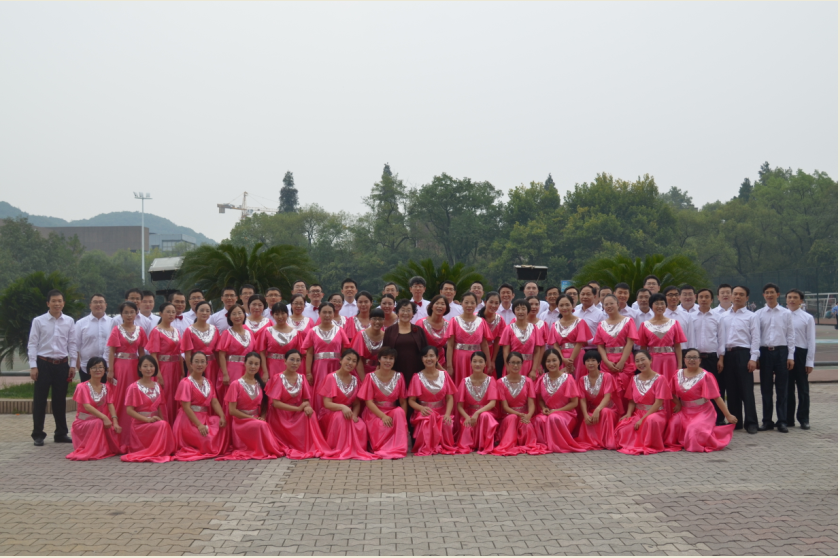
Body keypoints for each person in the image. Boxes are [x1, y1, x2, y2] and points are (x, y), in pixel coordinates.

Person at [28, 289, 78, 446]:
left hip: (62, 364)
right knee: (40, 400)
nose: (57, 304)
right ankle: (38, 434)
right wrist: (33, 366)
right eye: (54, 301)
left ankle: (61, 433)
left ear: (64, 303)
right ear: (48, 303)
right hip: (43, 363)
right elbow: (32, 343)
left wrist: (72, 364)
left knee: (60, 400)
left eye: (60, 301)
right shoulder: (39, 321)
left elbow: (72, 343)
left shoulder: (69, 321)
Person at [664, 348, 737, 452]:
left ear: (700, 360)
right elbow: (670, 392)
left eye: (695, 357)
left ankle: (695, 440)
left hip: (703, 412)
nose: (691, 360)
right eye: (689, 357)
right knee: (673, 423)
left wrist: (728, 415)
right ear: (684, 359)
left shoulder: (706, 376)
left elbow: (717, 397)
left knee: (693, 429)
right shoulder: (678, 374)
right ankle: (684, 441)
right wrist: (678, 403)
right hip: (684, 411)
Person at [217, 352, 285, 460]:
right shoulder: (236, 384)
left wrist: (262, 416)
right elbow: (232, 411)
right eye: (250, 363)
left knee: (262, 424)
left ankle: (266, 449)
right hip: (240, 422)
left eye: (256, 364)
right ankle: (266, 450)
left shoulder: (260, 384)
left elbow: (265, 405)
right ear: (245, 364)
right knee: (261, 425)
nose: (253, 366)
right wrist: (252, 418)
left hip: (256, 419)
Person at [317, 349, 380, 460]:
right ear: (341, 360)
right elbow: (327, 404)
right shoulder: (331, 377)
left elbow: (356, 403)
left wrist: (355, 415)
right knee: (341, 417)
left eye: (354, 361)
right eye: (348, 359)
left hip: (348, 413)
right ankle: (339, 448)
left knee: (360, 425)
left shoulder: (355, 380)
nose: (350, 363)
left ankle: (354, 449)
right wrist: (343, 407)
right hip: (330, 413)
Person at [265, 349, 328, 459]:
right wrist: (298, 409)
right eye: (292, 359)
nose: (295, 363)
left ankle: (310, 446)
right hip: (280, 415)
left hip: (295, 412)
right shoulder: (277, 378)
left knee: (311, 413)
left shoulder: (302, 377)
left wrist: (307, 406)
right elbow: (276, 403)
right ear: (285, 361)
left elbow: (306, 399)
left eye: (298, 360)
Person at [107, 301, 148, 450]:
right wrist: (111, 370)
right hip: (120, 367)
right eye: (126, 312)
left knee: (134, 399)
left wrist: (144, 369)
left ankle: (135, 435)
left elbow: (142, 352)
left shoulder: (140, 330)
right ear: (121, 314)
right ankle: (117, 435)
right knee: (120, 398)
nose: (129, 315)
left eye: (132, 312)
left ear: (136, 313)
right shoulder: (117, 330)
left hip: (135, 366)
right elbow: (111, 351)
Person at [173, 352, 229, 461]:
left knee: (221, 423)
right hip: (189, 420)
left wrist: (222, 416)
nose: (200, 364)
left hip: (204, 417)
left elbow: (214, 402)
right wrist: (199, 425)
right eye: (197, 362)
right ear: (191, 364)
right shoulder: (186, 383)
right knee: (207, 438)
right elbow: (186, 407)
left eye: (202, 362)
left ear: (206, 364)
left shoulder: (208, 382)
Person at [755, 283, 795, 433]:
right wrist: (756, 356)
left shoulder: (786, 313)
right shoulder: (758, 314)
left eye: (772, 292)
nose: (769, 295)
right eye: (767, 292)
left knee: (782, 389)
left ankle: (782, 421)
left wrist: (790, 356)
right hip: (765, 353)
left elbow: (790, 336)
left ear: (778, 294)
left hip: (781, 352)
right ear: (763, 295)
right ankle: (767, 421)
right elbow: (756, 336)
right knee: (766, 389)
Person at [720, 286, 760, 434]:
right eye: (735, 294)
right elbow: (720, 338)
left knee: (746, 390)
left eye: (741, 294)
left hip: (744, 354)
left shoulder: (752, 316)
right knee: (731, 390)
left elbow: (756, 338)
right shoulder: (723, 316)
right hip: (728, 354)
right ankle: (735, 422)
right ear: (731, 296)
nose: (737, 297)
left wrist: (753, 358)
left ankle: (751, 422)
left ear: (747, 298)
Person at [121, 355, 176, 462]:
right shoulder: (134, 387)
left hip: (154, 422)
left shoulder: (157, 386)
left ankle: (161, 450)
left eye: (151, 366)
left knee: (164, 424)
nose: (148, 369)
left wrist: (162, 420)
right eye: (145, 366)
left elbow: (160, 407)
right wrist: (147, 420)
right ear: (139, 368)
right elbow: (129, 411)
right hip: (140, 424)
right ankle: (156, 450)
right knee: (163, 425)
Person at [614, 350, 671, 455]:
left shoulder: (660, 379)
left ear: (650, 360)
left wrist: (643, 419)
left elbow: (658, 403)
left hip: (655, 413)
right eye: (637, 361)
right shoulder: (634, 378)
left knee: (649, 421)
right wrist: (628, 413)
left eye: (643, 359)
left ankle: (648, 444)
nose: (640, 363)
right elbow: (631, 400)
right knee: (623, 427)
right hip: (638, 413)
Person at [492, 352, 548, 456]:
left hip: (524, 416)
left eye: (518, 363)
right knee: (513, 417)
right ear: (508, 364)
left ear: (522, 364)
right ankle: (508, 444)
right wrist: (518, 414)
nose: (515, 365)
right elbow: (504, 406)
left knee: (527, 425)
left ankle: (524, 443)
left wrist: (528, 416)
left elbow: (531, 404)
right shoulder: (500, 382)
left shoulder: (528, 381)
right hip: (508, 416)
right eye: (513, 362)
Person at [66, 357, 122, 460]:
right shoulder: (81, 387)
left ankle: (101, 448)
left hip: (99, 420)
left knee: (112, 428)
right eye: (94, 367)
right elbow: (87, 406)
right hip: (83, 422)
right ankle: (95, 450)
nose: (98, 370)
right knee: (99, 422)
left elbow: (110, 404)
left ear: (105, 370)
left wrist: (115, 421)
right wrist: (104, 417)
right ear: (89, 370)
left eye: (100, 367)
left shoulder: (107, 387)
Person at [359, 347, 409, 459]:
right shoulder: (370, 377)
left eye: (391, 358)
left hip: (392, 411)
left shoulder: (399, 376)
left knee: (399, 412)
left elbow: (403, 401)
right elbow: (369, 402)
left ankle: (398, 447)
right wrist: (383, 416)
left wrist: (403, 421)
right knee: (381, 425)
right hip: (375, 412)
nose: (388, 361)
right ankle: (381, 448)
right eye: (385, 358)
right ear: (379, 359)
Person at [407, 347, 457, 456]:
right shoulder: (417, 377)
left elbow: (449, 398)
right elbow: (411, 400)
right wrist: (421, 408)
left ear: (437, 358)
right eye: (425, 356)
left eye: (431, 356)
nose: (428, 359)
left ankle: (442, 445)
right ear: (422, 359)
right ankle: (427, 446)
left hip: (442, 411)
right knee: (428, 419)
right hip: (425, 412)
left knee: (446, 422)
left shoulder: (444, 375)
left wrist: (447, 414)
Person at [532, 349, 585, 453]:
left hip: (567, 414)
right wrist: (544, 408)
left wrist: (556, 411)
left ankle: (557, 444)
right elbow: (541, 400)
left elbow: (574, 403)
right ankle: (546, 443)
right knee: (538, 420)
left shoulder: (568, 378)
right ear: (544, 363)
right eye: (548, 361)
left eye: (554, 360)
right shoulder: (542, 379)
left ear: (560, 361)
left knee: (554, 418)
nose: (551, 364)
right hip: (549, 413)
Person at [593, 295, 637, 416]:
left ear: (618, 304)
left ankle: (626, 416)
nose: (609, 306)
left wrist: (622, 361)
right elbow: (600, 346)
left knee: (625, 388)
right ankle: (611, 417)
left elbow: (630, 342)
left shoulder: (628, 321)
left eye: (611, 303)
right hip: (607, 361)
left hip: (625, 359)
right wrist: (606, 362)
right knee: (609, 391)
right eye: (606, 304)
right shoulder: (601, 324)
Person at [303, 303, 351, 415]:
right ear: (319, 313)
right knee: (320, 390)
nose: (327, 315)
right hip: (319, 367)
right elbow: (309, 353)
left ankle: (334, 416)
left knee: (336, 390)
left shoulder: (339, 330)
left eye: (330, 312)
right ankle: (320, 417)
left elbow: (345, 352)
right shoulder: (312, 331)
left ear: (334, 314)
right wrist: (308, 372)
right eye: (324, 312)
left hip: (337, 366)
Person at [690, 288, 727, 424]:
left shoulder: (718, 317)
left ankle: (718, 419)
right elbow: (690, 338)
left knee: (716, 389)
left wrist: (721, 359)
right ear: (697, 298)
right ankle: (699, 418)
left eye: (707, 297)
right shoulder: (691, 317)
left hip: (712, 358)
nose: (704, 299)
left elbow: (721, 339)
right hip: (696, 359)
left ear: (712, 299)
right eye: (701, 297)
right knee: (696, 389)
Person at [455, 351, 498, 455]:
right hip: (469, 414)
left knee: (485, 415)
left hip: (487, 412)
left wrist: (477, 413)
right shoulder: (465, 381)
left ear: (485, 364)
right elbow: (459, 405)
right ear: (470, 363)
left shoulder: (491, 380)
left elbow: (492, 403)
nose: (477, 364)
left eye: (480, 361)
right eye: (474, 361)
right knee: (467, 424)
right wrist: (467, 417)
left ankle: (485, 444)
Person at [146, 302, 183, 424]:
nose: (171, 314)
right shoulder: (156, 331)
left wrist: (182, 371)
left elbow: (179, 352)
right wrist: (158, 374)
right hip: (163, 367)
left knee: (176, 396)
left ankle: (176, 425)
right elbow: (153, 354)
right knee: (165, 396)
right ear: (161, 313)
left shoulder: (176, 330)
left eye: (173, 312)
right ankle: (164, 425)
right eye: (168, 312)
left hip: (176, 367)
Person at [446, 292, 493, 385]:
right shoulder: (454, 321)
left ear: (476, 304)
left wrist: (488, 363)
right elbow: (450, 345)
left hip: (477, 359)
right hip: (459, 359)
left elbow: (484, 345)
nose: (469, 305)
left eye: (472, 303)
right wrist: (449, 365)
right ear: (461, 303)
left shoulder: (481, 321)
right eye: (466, 302)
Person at [575, 351, 617, 451]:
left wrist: (598, 410)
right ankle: (595, 441)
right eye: (588, 361)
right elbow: (582, 399)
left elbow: (607, 397)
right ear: (584, 363)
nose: (590, 363)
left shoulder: (607, 376)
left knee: (605, 412)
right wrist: (585, 414)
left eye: (593, 360)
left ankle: (607, 441)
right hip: (592, 410)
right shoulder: (582, 380)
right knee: (588, 418)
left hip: (608, 409)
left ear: (598, 362)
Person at [637, 293, 686, 380]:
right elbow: (643, 348)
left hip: (670, 360)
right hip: (653, 360)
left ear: (666, 305)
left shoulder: (674, 323)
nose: (660, 306)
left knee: (670, 383)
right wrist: (644, 364)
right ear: (651, 305)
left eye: (662, 303)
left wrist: (679, 366)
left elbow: (677, 346)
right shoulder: (644, 325)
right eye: (656, 303)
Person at [384, 299, 430, 387]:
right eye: (403, 310)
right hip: (395, 368)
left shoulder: (419, 330)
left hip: (416, 368)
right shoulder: (390, 330)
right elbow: (384, 351)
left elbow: (425, 351)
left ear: (413, 313)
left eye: (409, 310)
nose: (405, 313)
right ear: (397, 312)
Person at [785, 289, 815, 429]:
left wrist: (809, 361)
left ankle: (804, 419)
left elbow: (811, 340)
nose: (792, 300)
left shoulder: (807, 317)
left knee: (802, 388)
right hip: (786, 354)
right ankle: (788, 419)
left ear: (801, 301)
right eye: (789, 297)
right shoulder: (782, 315)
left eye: (795, 297)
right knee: (787, 388)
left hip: (801, 353)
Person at [181, 301, 221, 396]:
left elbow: (217, 352)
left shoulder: (214, 329)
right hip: (197, 366)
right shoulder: (189, 330)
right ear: (196, 312)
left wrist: (221, 369)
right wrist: (191, 371)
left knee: (212, 393)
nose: (204, 313)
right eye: (202, 310)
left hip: (212, 366)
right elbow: (187, 354)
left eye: (207, 310)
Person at [258, 302, 304, 381]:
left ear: (287, 314)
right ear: (273, 315)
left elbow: (300, 353)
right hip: (271, 366)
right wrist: (265, 372)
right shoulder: (266, 331)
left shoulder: (295, 333)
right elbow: (262, 353)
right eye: (277, 314)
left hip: (290, 367)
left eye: (283, 313)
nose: (280, 317)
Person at [500, 299, 545, 378]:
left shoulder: (534, 328)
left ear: (528, 311)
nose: (520, 312)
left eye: (523, 309)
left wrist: (534, 370)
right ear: (514, 311)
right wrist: (508, 367)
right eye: (517, 309)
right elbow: (506, 351)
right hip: (513, 364)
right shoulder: (508, 328)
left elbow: (537, 351)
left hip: (529, 365)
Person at [217, 304, 257, 393]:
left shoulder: (249, 333)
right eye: (234, 314)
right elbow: (221, 355)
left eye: (239, 313)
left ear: (244, 315)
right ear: (229, 317)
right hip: (232, 369)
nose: (237, 316)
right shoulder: (227, 333)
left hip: (248, 368)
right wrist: (225, 374)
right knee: (233, 393)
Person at [549, 295, 589, 380]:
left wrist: (571, 360)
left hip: (577, 355)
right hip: (561, 357)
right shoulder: (555, 325)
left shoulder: (580, 322)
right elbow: (555, 345)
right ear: (558, 307)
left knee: (578, 379)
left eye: (567, 305)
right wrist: (562, 359)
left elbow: (579, 343)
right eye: (561, 305)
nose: (564, 308)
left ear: (572, 305)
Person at [74, 293, 112, 383]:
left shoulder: (113, 323)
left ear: (106, 305)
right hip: (86, 368)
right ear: (90, 305)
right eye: (95, 302)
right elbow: (75, 347)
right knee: (87, 392)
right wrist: (79, 367)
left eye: (101, 302)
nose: (98, 304)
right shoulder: (80, 323)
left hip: (108, 368)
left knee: (107, 391)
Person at [478, 291, 507, 377]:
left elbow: (498, 341)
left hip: (492, 351)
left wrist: (493, 360)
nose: (493, 305)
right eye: (491, 302)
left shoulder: (500, 319)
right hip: (477, 350)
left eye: (496, 303)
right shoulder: (476, 318)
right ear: (485, 302)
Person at [417, 295, 451, 366]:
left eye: (443, 304)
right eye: (437, 303)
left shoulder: (448, 325)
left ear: (446, 308)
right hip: (424, 360)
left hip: (441, 360)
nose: (440, 306)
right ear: (432, 306)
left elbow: (450, 345)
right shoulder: (421, 323)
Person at [351, 308, 385, 377]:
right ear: (369, 319)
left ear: (384, 320)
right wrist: (364, 379)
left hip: (381, 371)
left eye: (380, 319)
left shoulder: (386, 336)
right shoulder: (361, 335)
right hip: (362, 371)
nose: (377, 321)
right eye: (374, 319)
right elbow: (357, 358)